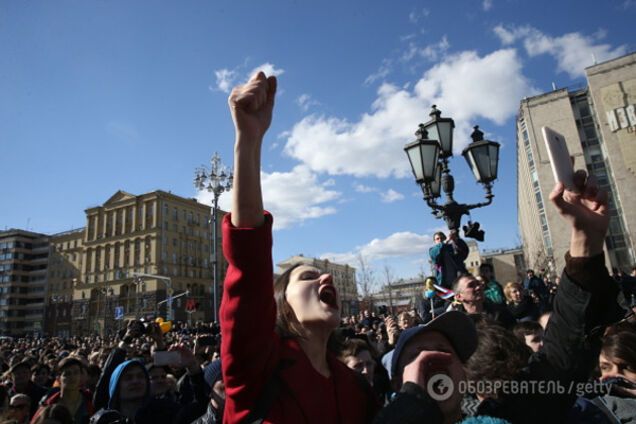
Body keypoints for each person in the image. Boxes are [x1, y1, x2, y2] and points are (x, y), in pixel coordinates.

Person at [374, 172, 627, 423]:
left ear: (464, 375)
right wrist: (409, 410)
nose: (430, 362)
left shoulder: (508, 413)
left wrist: (585, 242)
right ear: (397, 381)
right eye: (415, 357)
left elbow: (560, 356)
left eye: (442, 352)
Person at [220, 72, 378, 423]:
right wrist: (248, 139)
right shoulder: (260, 369)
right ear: (281, 307)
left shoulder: (355, 388)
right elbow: (248, 258)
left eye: (323, 276)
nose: (326, 280)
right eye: (307, 277)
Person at [33, 357, 94, 424]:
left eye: (76, 372)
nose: (72, 377)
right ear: (58, 378)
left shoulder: (90, 401)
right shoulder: (48, 404)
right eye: (67, 374)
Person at [451, 274, 516, 329]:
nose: (478, 287)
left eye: (478, 283)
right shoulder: (457, 323)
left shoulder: (501, 314)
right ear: (459, 297)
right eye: (471, 285)